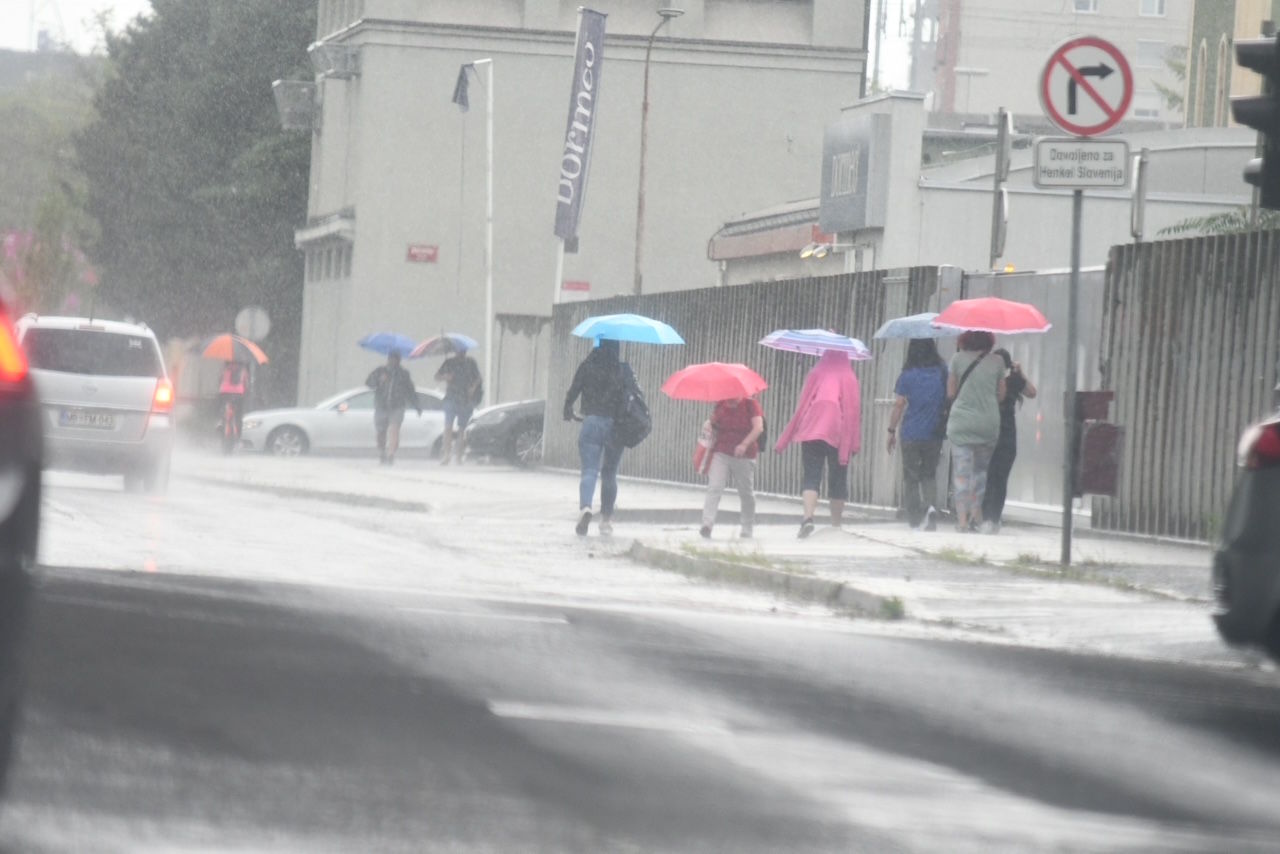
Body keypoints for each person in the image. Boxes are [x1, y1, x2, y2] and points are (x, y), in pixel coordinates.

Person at [775, 349, 861, 539]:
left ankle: (808, 518)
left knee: (811, 476)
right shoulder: (849, 377)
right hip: (838, 432)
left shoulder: (816, 372)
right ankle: (836, 525)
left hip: (812, 428)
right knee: (838, 477)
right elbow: (853, 411)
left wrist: (790, 432)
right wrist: (854, 442)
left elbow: (803, 403)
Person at [563, 339, 630, 537]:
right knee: (609, 473)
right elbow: (630, 398)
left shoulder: (588, 365)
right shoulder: (622, 370)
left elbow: (574, 389)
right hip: (615, 426)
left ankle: (586, 507)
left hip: (591, 422)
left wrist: (568, 409)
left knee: (589, 470)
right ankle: (606, 520)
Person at [946, 330, 1007, 533]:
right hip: (987, 423)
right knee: (980, 473)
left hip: (961, 423)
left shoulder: (957, 359)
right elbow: (1001, 395)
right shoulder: (998, 361)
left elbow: (951, 392)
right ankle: (976, 517)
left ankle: (962, 521)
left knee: (961, 474)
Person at [887, 339, 948, 531]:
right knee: (929, 474)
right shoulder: (942, 372)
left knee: (911, 476)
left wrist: (891, 431)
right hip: (935, 432)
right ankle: (930, 507)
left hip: (911, 433)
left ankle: (914, 519)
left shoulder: (907, 375)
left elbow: (899, 405)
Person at [982, 348, 1038, 529]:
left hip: (998, 433)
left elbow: (1032, 392)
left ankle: (990, 517)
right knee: (995, 478)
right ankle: (990, 517)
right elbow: (1031, 392)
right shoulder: (1001, 381)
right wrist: (1018, 374)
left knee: (994, 477)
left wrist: (1019, 374)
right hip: (999, 434)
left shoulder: (1002, 380)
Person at [700, 395, 764, 540]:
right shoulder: (721, 404)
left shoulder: (751, 404)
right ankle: (707, 525)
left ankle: (747, 527)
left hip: (745, 454)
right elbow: (713, 423)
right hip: (721, 451)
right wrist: (708, 424)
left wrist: (744, 444)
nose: (729, 398)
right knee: (714, 487)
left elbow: (758, 428)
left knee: (745, 492)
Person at [366, 350, 421, 466]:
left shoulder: (403, 374)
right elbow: (368, 383)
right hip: (381, 406)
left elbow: (410, 390)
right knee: (381, 432)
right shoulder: (380, 371)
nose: (393, 361)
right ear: (388, 359)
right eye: (391, 358)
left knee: (394, 429)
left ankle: (391, 454)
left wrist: (417, 406)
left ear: (399, 360)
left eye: (396, 359)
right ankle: (382, 452)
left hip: (397, 406)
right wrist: (379, 380)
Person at [435, 347, 482, 465]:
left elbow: (478, 378)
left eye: (463, 350)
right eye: (459, 350)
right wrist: (446, 377)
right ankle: (447, 455)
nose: (461, 352)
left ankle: (459, 456)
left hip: (466, 399)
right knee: (448, 427)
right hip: (451, 398)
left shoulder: (470, 362)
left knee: (462, 429)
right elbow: (436, 376)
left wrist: (473, 387)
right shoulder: (449, 362)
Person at [218, 360, 250, 451]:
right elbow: (246, 384)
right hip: (238, 395)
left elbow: (220, 380)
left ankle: (222, 424)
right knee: (238, 416)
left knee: (225, 415)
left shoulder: (225, 369)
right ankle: (237, 437)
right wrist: (245, 392)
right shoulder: (243, 370)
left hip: (225, 394)